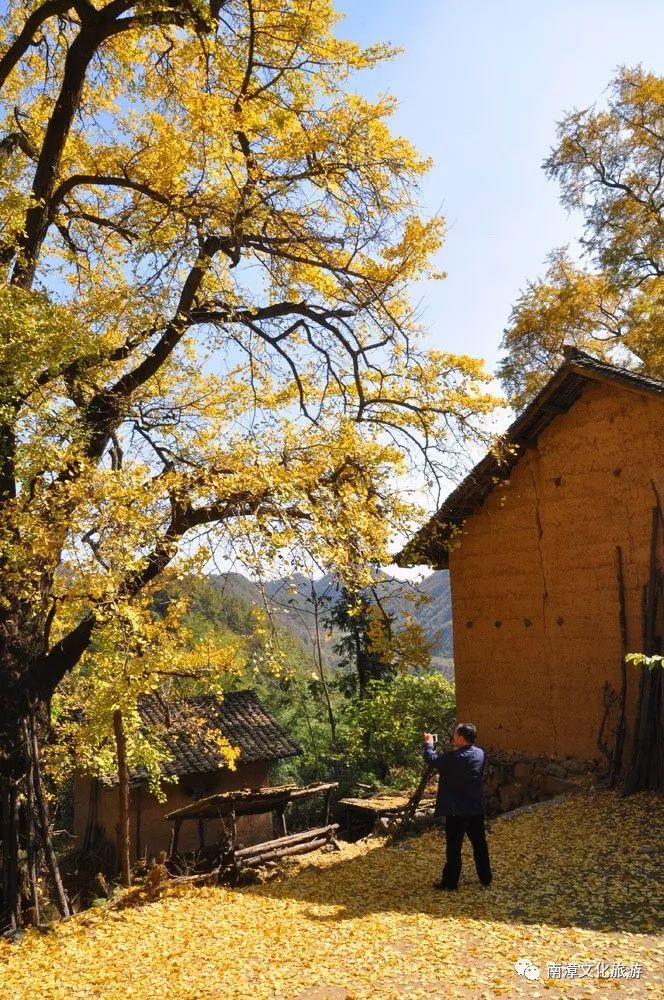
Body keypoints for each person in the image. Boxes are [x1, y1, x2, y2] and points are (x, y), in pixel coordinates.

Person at [423, 722, 492, 891]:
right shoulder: (480, 754)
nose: (453, 736)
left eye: (455, 734)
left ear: (460, 738)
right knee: (480, 844)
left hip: (456, 810)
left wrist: (429, 745)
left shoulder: (455, 758)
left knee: (454, 847)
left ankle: (450, 881)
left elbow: (432, 760)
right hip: (475, 807)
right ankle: (486, 877)